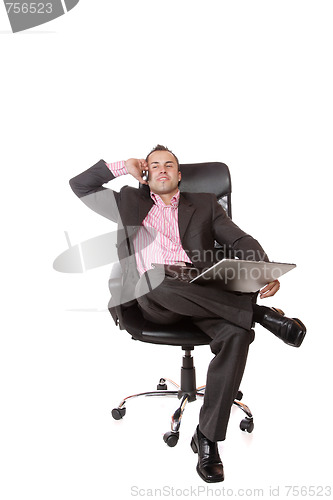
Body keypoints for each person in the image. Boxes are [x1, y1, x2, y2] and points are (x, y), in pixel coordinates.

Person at [69, 145, 306, 483]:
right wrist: (126, 165)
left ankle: (207, 438)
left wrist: (261, 269)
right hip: (154, 300)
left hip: (204, 296)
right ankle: (257, 314)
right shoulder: (127, 203)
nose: (162, 169)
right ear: (147, 174)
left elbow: (240, 240)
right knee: (156, 275)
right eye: (154, 165)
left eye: (170, 165)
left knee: (237, 334)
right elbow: (81, 185)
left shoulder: (206, 205)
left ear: (180, 175)